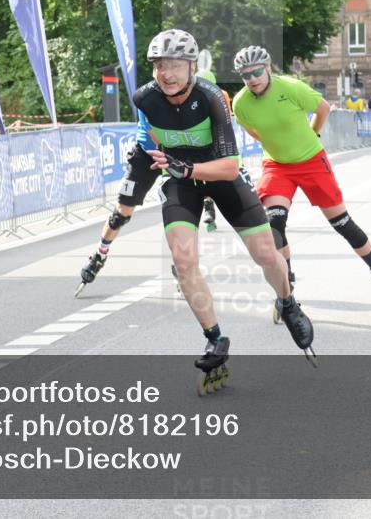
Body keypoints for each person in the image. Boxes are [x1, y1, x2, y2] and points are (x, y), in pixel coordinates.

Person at [133, 29, 317, 388]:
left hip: (221, 173)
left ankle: (289, 302)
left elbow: (230, 167)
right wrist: (158, 163)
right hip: (180, 179)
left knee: (266, 253)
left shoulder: (212, 97)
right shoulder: (144, 98)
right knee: (183, 260)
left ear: (191, 66)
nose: (165, 73)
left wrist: (186, 166)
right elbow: (149, 137)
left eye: (174, 65)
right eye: (158, 66)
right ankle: (215, 337)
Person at [231, 46, 371, 316]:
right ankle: (286, 289)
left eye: (257, 72)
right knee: (274, 224)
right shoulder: (241, 103)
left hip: (311, 161)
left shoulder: (291, 87)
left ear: (267, 69)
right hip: (278, 166)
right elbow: (252, 131)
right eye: (246, 76)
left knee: (343, 224)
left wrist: (313, 133)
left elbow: (323, 108)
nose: (253, 79)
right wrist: (273, 146)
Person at [75, 108, 165, 296]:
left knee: (178, 212)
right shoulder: (148, 97)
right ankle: (100, 254)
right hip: (145, 156)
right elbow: (157, 137)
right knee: (120, 215)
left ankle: (182, 263)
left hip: (175, 157)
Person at [195, 69, 231, 233]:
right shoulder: (220, 93)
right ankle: (209, 207)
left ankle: (210, 205)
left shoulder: (221, 95)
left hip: (212, 142)